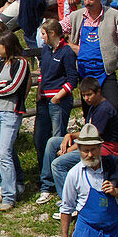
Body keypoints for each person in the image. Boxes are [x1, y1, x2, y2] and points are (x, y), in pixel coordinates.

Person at [41, 76, 118, 201]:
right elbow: (87, 130)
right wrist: (70, 135)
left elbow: (93, 136)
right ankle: (47, 186)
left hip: (102, 148)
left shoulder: (104, 109)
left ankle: (69, 202)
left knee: (58, 164)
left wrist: (70, 150)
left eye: (89, 95)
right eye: (83, 95)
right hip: (89, 143)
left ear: (98, 92)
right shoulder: (93, 106)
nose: (86, 98)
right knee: (53, 142)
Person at [59, 123, 118, 237]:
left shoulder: (114, 167)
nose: (89, 154)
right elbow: (66, 208)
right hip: (87, 232)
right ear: (79, 150)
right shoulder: (74, 174)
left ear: (100, 148)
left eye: (93, 149)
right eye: (85, 150)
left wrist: (116, 192)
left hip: (112, 231)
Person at [66, 0, 118, 119]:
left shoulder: (114, 15)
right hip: (84, 72)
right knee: (89, 112)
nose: (87, 2)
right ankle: (91, 138)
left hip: (105, 71)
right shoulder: (77, 16)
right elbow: (56, 29)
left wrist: (116, 53)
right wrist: (67, 45)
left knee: (113, 107)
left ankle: (115, 140)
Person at [0, 31, 30, 211]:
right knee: (3, 153)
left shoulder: (21, 63)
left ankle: (9, 195)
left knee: (4, 153)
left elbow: (14, 87)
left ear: (7, 46)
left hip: (11, 112)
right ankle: (11, 185)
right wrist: (1, 86)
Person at [35, 19, 79, 180]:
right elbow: (42, 71)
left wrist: (58, 96)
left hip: (58, 101)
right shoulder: (46, 50)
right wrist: (39, 90)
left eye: (44, 34)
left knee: (55, 138)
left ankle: (55, 176)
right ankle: (43, 173)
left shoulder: (66, 52)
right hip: (44, 100)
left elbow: (72, 79)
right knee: (40, 138)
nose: (42, 37)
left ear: (52, 33)